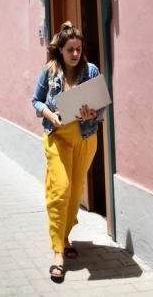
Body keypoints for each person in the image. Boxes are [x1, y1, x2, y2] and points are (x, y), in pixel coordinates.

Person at [32, 21, 104, 283]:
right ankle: (58, 252)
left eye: (78, 49)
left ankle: (65, 234)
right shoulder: (50, 72)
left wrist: (93, 113)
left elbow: (101, 107)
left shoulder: (91, 71)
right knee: (59, 191)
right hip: (57, 139)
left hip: (86, 139)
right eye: (70, 49)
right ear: (60, 50)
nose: (75, 54)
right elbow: (36, 101)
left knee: (74, 195)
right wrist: (50, 114)